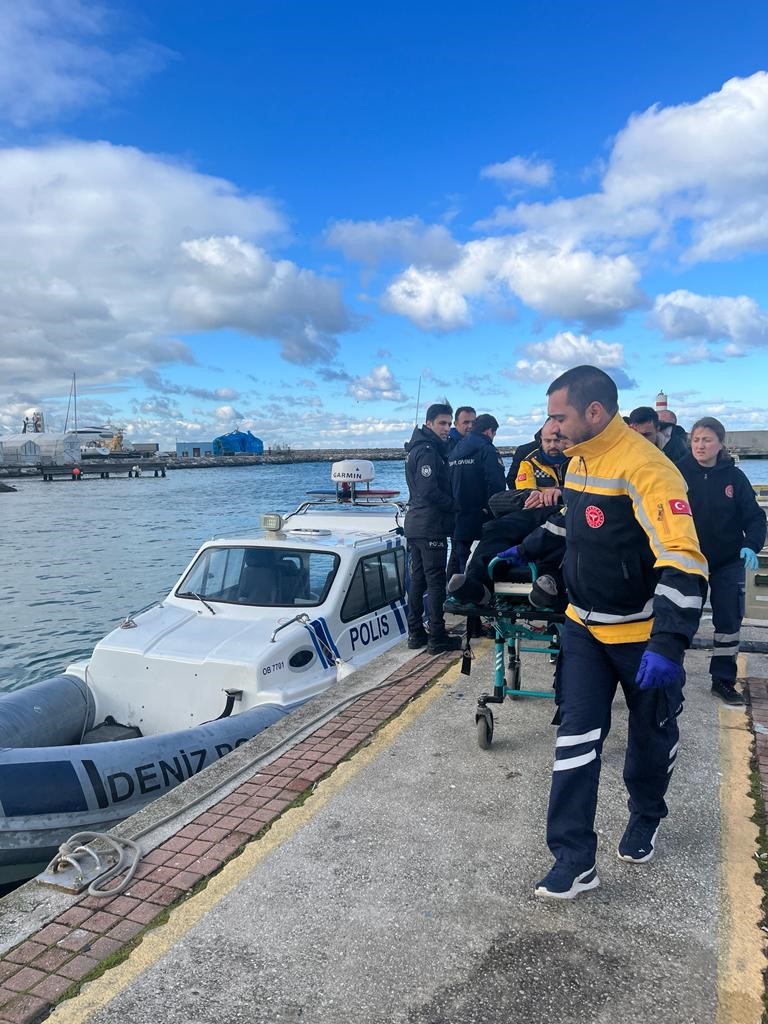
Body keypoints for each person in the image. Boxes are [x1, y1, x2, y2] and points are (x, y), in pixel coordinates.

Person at [499, 365, 707, 900]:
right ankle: (573, 859)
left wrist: (668, 642)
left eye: (559, 416)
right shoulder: (576, 462)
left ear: (594, 412)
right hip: (583, 629)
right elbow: (572, 523)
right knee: (575, 739)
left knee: (649, 739)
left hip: (641, 639)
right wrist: (524, 550)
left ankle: (646, 813)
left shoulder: (648, 470)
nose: (552, 427)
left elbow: (683, 560)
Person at [678, 417, 766, 705]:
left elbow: (754, 517)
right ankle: (671, 677)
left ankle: (723, 680)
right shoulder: (678, 473)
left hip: (728, 561)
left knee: (728, 622)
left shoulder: (734, 477)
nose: (700, 445)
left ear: (720, 444)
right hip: (689, 559)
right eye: (696, 439)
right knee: (680, 619)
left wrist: (751, 545)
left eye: (707, 440)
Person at [404, 403, 463, 655]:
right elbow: (428, 490)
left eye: (449, 424)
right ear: (429, 423)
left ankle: (415, 633)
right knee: (435, 581)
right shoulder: (428, 452)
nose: (446, 429)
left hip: (415, 524)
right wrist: (454, 506)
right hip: (430, 525)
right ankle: (437, 635)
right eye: (442, 423)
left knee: (417, 580)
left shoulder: (417, 449)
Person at [448, 414, 506, 572]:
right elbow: (496, 484)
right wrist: (493, 509)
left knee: (459, 566)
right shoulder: (487, 450)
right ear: (489, 431)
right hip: (482, 518)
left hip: (458, 518)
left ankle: (457, 594)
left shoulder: (454, 451)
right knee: (484, 565)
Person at [514, 421, 569, 509]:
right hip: (543, 511)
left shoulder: (578, 459)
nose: (552, 445)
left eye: (557, 441)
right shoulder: (529, 463)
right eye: (547, 441)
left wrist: (561, 490)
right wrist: (533, 495)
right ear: (541, 439)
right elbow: (524, 491)